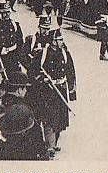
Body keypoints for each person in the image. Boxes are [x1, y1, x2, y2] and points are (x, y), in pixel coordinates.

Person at [30, 28, 76, 158]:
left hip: (61, 88)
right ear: (53, 41)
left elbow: (70, 71)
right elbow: (33, 71)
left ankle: (54, 142)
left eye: (62, 39)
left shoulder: (64, 53)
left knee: (61, 117)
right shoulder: (44, 53)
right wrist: (42, 79)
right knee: (49, 118)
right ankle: (49, 146)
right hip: (47, 91)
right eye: (59, 40)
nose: (62, 42)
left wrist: (72, 89)